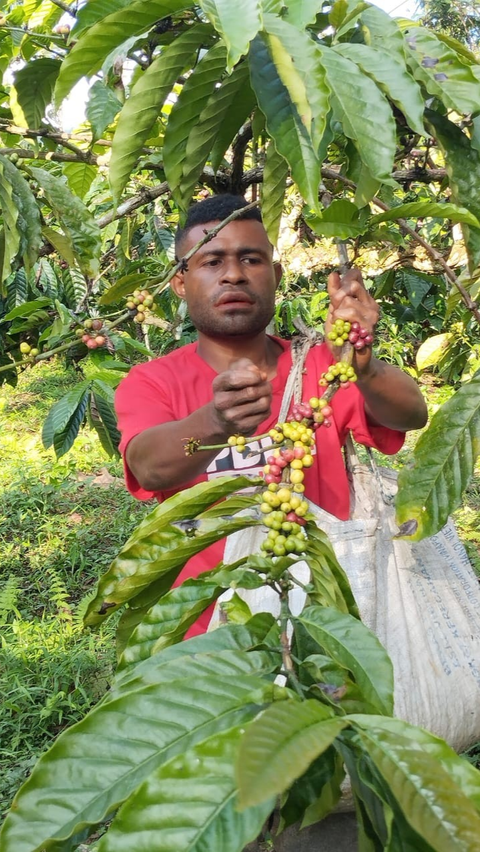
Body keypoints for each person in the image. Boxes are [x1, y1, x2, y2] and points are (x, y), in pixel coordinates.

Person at [115, 193, 428, 636]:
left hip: (326, 612)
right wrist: (216, 422)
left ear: (276, 275)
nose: (233, 275)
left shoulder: (324, 366)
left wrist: (363, 366)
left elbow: (411, 415)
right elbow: (149, 468)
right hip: (208, 623)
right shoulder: (153, 382)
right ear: (180, 282)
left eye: (251, 259)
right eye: (211, 262)